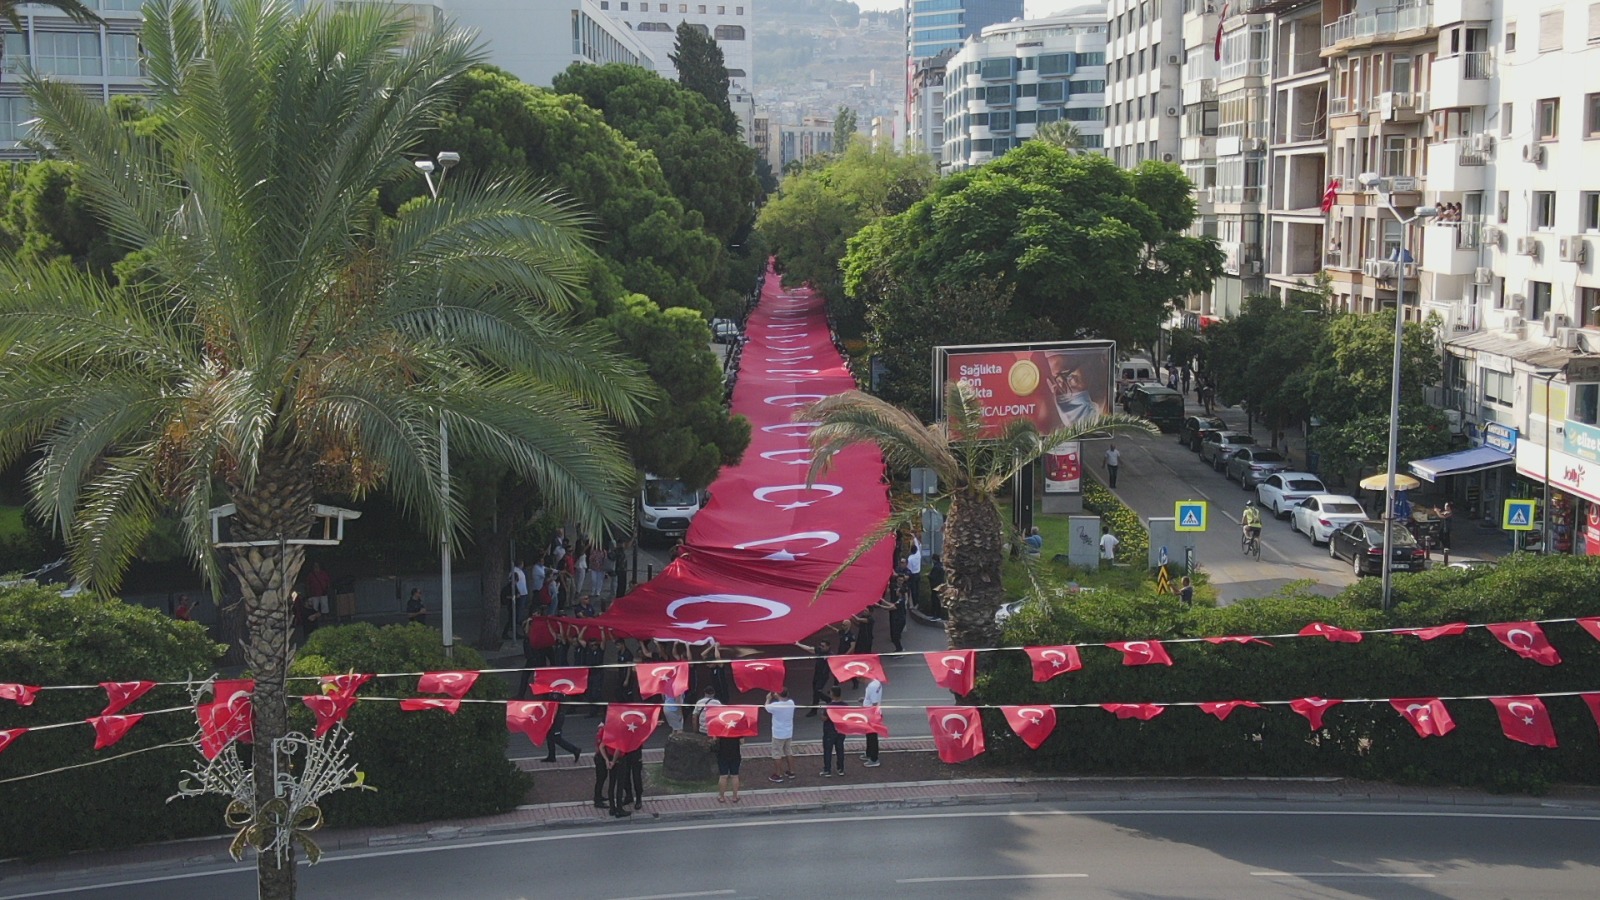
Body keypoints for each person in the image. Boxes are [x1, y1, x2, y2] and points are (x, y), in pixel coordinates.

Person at [765, 688, 797, 783]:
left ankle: (778, 774)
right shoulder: (791, 703)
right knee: (788, 751)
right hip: (788, 732)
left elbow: (766, 707)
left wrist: (768, 698)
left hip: (778, 733)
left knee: (777, 753)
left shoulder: (775, 706)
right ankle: (791, 771)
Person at [540, 692, 583, 764]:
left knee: (556, 737)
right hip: (553, 716)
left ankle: (575, 750)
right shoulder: (553, 691)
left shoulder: (557, 693)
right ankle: (551, 756)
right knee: (549, 736)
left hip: (557, 717)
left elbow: (554, 703)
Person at [797, 637, 833, 716]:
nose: (821, 647)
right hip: (817, 674)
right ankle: (814, 710)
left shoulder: (830, 655)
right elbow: (810, 649)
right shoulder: (820, 651)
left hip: (823, 676)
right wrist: (798, 644)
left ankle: (828, 700)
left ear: (828, 646)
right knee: (815, 693)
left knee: (817, 691)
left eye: (823, 646)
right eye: (821, 645)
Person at [820, 686, 847, 777]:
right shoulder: (845, 705)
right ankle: (841, 769)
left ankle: (827, 770)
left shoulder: (830, 706)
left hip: (830, 731)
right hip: (841, 730)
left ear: (832, 694)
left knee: (828, 751)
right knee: (840, 750)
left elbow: (824, 718)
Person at [860, 676, 883, 768]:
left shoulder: (871, 687)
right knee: (870, 736)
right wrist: (865, 700)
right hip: (873, 714)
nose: (861, 682)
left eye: (860, 679)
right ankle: (869, 753)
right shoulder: (876, 682)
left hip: (871, 716)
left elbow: (874, 703)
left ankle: (874, 759)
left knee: (872, 737)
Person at [715, 731, 743, 803]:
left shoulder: (721, 727)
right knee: (735, 775)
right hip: (735, 753)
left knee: (723, 776)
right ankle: (735, 796)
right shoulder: (737, 728)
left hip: (722, 754)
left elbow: (715, 739)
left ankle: (721, 797)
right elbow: (742, 741)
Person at [508, 561, 529, 638]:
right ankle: (515, 626)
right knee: (518, 611)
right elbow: (512, 583)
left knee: (521, 610)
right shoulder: (514, 571)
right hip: (519, 594)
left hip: (522, 593)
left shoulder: (519, 571)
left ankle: (517, 624)